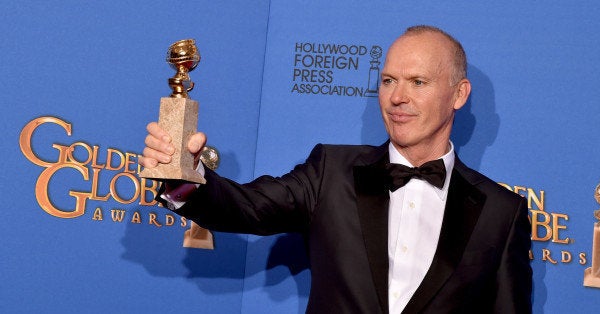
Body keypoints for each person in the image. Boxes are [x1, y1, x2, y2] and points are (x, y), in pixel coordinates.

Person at [140, 25, 532, 314]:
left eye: (418, 82)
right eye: (389, 80)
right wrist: (181, 177)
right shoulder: (332, 170)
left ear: (458, 94)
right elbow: (244, 206)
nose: (397, 97)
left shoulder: (501, 212)